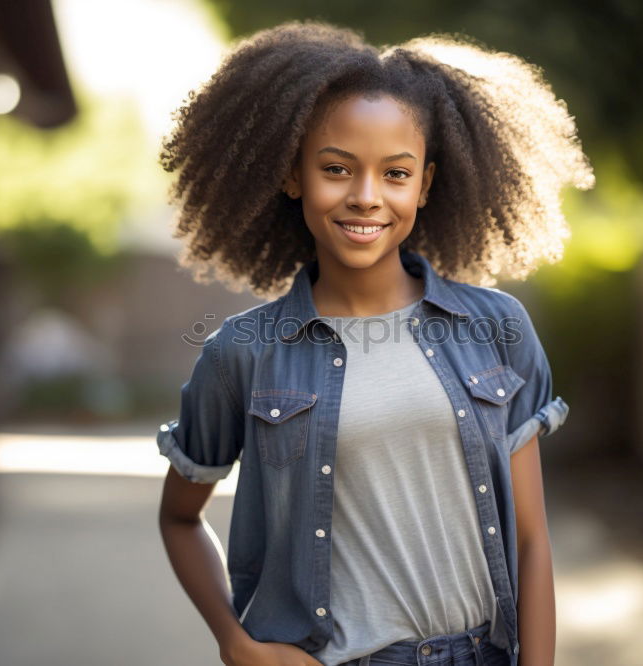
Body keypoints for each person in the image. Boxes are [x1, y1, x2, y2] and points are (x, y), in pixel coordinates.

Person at [155, 20, 594, 666]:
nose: (366, 197)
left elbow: (532, 541)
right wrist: (236, 642)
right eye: (336, 169)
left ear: (425, 182)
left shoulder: (496, 330)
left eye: (395, 173)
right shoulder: (244, 352)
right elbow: (179, 518)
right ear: (292, 175)